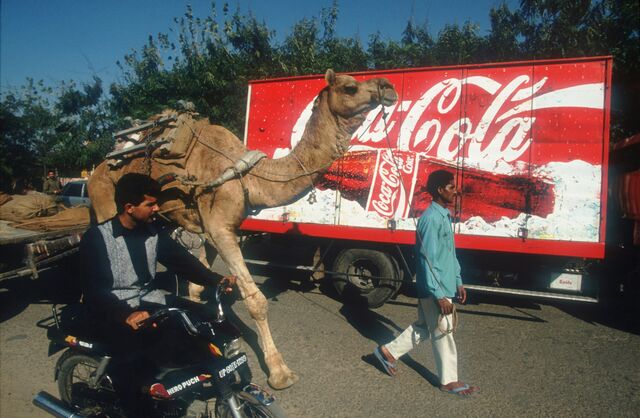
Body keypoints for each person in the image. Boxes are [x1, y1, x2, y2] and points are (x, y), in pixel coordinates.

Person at [78, 173, 235, 412]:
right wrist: (124, 315)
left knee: (200, 319)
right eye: (150, 204)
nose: (157, 208)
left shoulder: (153, 233)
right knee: (132, 368)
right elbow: (93, 289)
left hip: (148, 299)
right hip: (110, 310)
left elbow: (182, 262)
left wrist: (217, 280)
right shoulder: (97, 238)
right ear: (129, 207)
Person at [373, 169, 479, 396]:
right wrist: (439, 294)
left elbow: (448, 254)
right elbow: (427, 260)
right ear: (440, 190)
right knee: (443, 330)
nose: (455, 191)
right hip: (435, 288)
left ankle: (387, 352)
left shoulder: (442, 215)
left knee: (425, 327)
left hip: (442, 284)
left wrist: (458, 281)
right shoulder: (431, 219)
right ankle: (449, 381)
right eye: (451, 187)